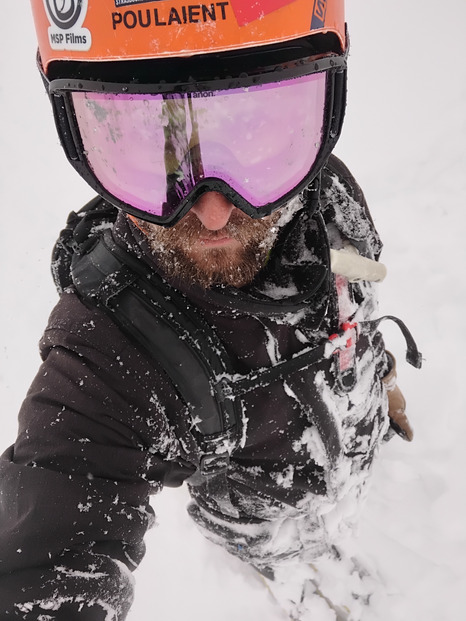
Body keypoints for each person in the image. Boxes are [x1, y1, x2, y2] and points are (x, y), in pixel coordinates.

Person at [0, 0, 421, 619]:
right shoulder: (108, 352)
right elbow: (49, 557)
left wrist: (376, 381)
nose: (215, 212)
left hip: (352, 427)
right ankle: (292, 576)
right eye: (153, 147)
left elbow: (353, 304)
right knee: (281, 550)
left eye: (257, 129)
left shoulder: (325, 194)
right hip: (254, 512)